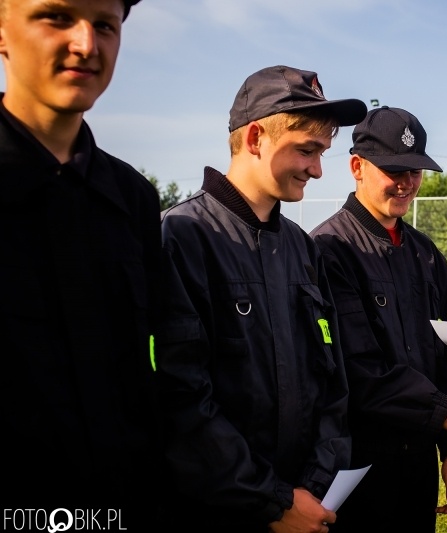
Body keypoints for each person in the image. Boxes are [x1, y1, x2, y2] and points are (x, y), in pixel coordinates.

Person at [156, 66, 367, 532]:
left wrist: (311, 486)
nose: (317, 169)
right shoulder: (184, 236)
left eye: (322, 153)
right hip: (221, 511)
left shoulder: (302, 247)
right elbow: (181, 397)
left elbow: (332, 381)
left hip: (306, 506)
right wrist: (271, 501)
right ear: (255, 138)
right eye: (307, 151)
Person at [310, 106, 447, 533]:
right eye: (395, 169)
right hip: (357, 464)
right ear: (357, 167)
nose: (408, 183)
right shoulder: (328, 249)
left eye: (416, 170)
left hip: (419, 461)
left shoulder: (425, 253)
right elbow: (359, 369)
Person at [0, 0, 162, 526]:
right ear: (2, 32)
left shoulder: (134, 198)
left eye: (104, 25)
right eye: (56, 16)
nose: (86, 45)